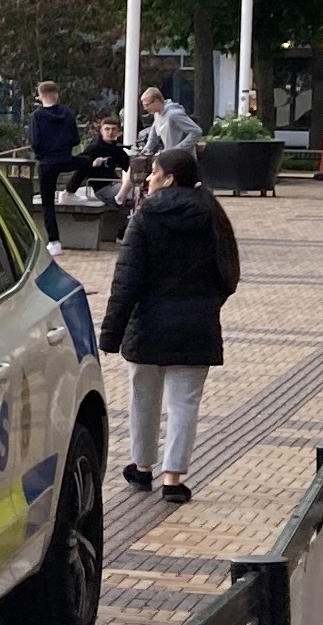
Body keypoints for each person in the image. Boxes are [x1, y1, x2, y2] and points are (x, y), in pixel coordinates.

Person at [101, 144, 241, 505]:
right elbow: (229, 272)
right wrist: (209, 303)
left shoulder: (145, 216)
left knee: (142, 398)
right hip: (196, 325)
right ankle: (173, 478)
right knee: (184, 404)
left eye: (153, 173)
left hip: (147, 324)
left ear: (170, 178)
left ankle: (142, 466)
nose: (147, 179)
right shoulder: (212, 213)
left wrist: (111, 334)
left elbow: (126, 279)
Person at [26, 80, 80, 221]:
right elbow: (76, 139)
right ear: (56, 95)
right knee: (89, 162)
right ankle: (70, 190)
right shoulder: (67, 113)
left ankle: (54, 240)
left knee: (47, 204)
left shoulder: (36, 116)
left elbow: (34, 142)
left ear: (40, 96)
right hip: (66, 159)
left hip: (46, 164)